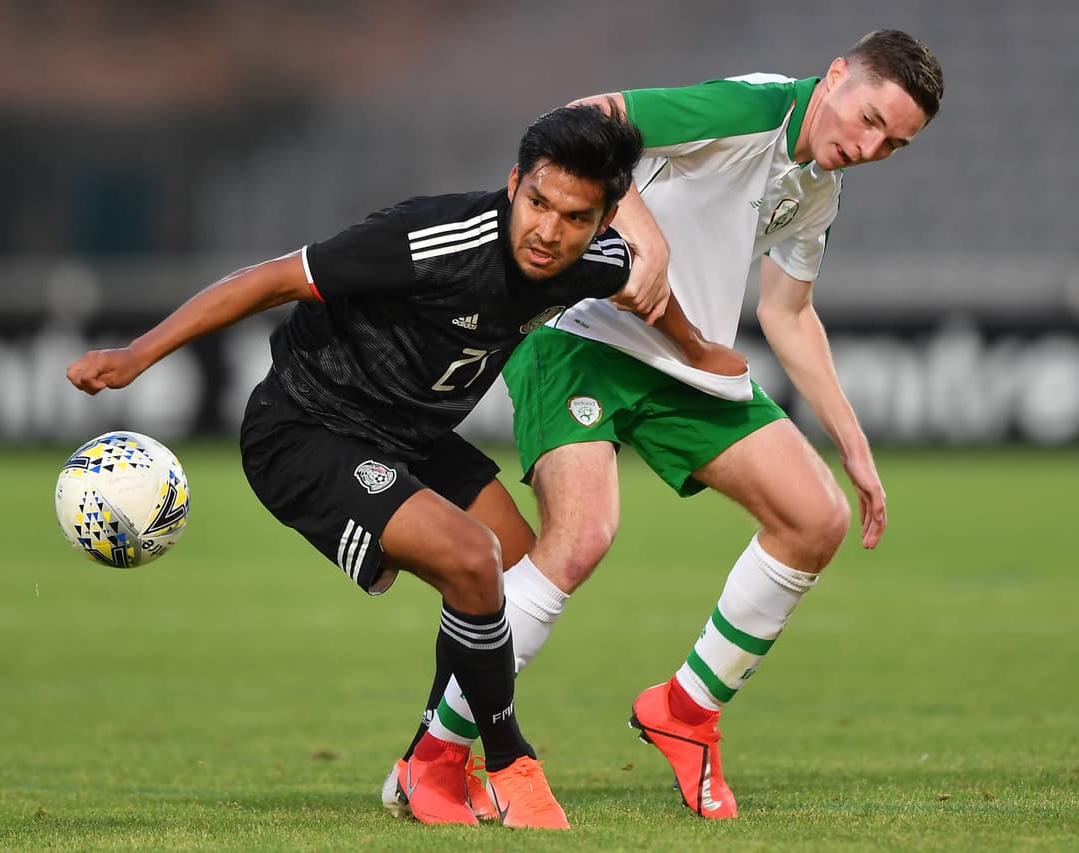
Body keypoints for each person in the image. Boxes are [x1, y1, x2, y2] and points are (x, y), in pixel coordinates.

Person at [66, 103, 739, 830]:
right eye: (537, 202)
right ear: (515, 184)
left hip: (409, 433)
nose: (547, 230)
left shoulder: (589, 260)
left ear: (603, 220)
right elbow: (271, 279)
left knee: (516, 570)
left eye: (574, 217)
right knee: (472, 559)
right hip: (307, 428)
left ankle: (427, 758)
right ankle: (511, 760)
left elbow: (643, 289)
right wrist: (138, 354)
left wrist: (698, 351)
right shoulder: (430, 239)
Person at [385, 29, 944, 822]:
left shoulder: (820, 185)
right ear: (838, 75)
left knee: (815, 517)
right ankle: (435, 754)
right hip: (579, 333)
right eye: (868, 118)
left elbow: (787, 312)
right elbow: (587, 116)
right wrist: (639, 233)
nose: (870, 145)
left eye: (894, 142)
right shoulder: (754, 106)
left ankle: (686, 712)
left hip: (684, 355)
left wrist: (854, 446)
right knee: (580, 538)